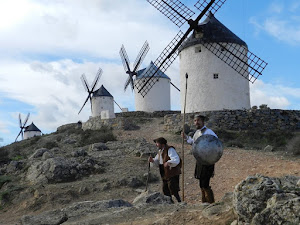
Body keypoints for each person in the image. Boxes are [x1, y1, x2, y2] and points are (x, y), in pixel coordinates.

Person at [182, 114, 218, 203]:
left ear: (202, 121)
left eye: (198, 120)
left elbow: (216, 144)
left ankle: (210, 203)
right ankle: (204, 202)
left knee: (205, 184)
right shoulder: (197, 133)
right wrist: (186, 138)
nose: (196, 122)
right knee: (201, 183)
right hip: (200, 161)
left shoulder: (209, 132)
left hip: (207, 161)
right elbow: (194, 143)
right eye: (195, 121)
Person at [149, 137, 181, 203]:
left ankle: (179, 202)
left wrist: (169, 162)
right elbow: (157, 161)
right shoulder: (160, 151)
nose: (156, 145)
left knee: (173, 189)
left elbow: (176, 159)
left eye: (157, 143)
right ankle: (170, 203)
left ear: (162, 144)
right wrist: (152, 160)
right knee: (165, 189)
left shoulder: (170, 149)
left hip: (171, 173)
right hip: (164, 172)